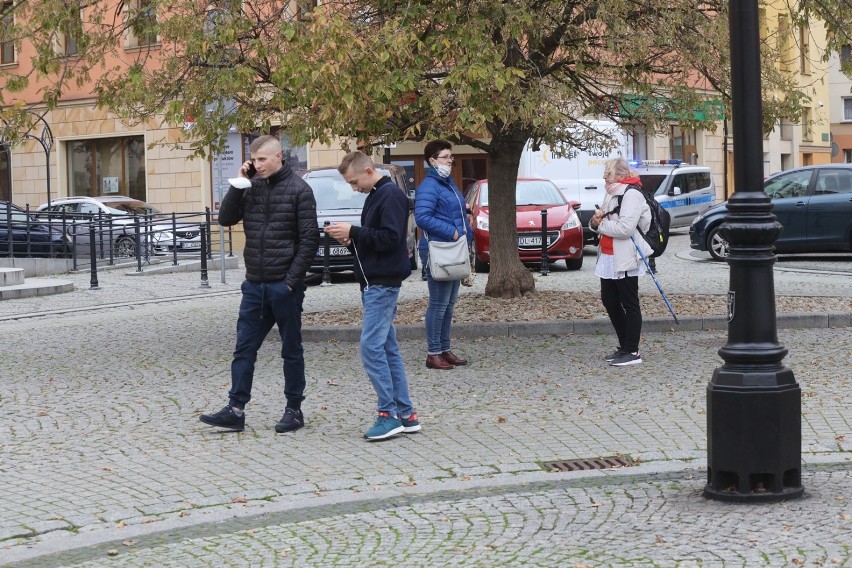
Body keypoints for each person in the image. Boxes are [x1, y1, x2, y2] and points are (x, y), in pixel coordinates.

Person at [200, 135, 319, 432]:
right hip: (254, 284)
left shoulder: (299, 190)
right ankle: (235, 409)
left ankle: (294, 410)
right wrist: (239, 183)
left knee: (290, 349)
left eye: (263, 159)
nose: (258, 164)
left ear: (279, 156)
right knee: (244, 348)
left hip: (284, 286)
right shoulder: (250, 186)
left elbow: (309, 241)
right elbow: (226, 219)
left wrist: (291, 283)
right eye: (254, 159)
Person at [325, 151, 420, 441]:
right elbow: (376, 240)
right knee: (387, 349)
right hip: (374, 283)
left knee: (371, 348)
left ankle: (388, 414)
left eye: (355, 182)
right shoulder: (377, 195)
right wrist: (352, 238)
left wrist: (354, 231)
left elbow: (391, 239)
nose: (355, 188)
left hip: (381, 284)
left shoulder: (389, 196)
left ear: (368, 171)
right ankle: (406, 414)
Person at [414, 140, 473, 370]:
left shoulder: (448, 184)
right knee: (438, 304)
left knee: (449, 304)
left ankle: (444, 349)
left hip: (453, 249)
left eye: (451, 157)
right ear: (432, 160)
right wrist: (454, 231)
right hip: (439, 250)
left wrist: (466, 232)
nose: (450, 160)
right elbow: (423, 218)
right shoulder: (429, 186)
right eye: (445, 156)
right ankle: (433, 353)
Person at [589, 157, 652, 367]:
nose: (604, 177)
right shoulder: (611, 192)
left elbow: (625, 229)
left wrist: (600, 226)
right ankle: (624, 345)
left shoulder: (631, 194)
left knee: (629, 302)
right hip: (608, 255)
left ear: (621, 175)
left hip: (625, 255)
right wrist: (595, 222)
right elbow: (604, 222)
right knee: (609, 300)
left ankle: (633, 350)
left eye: (608, 173)